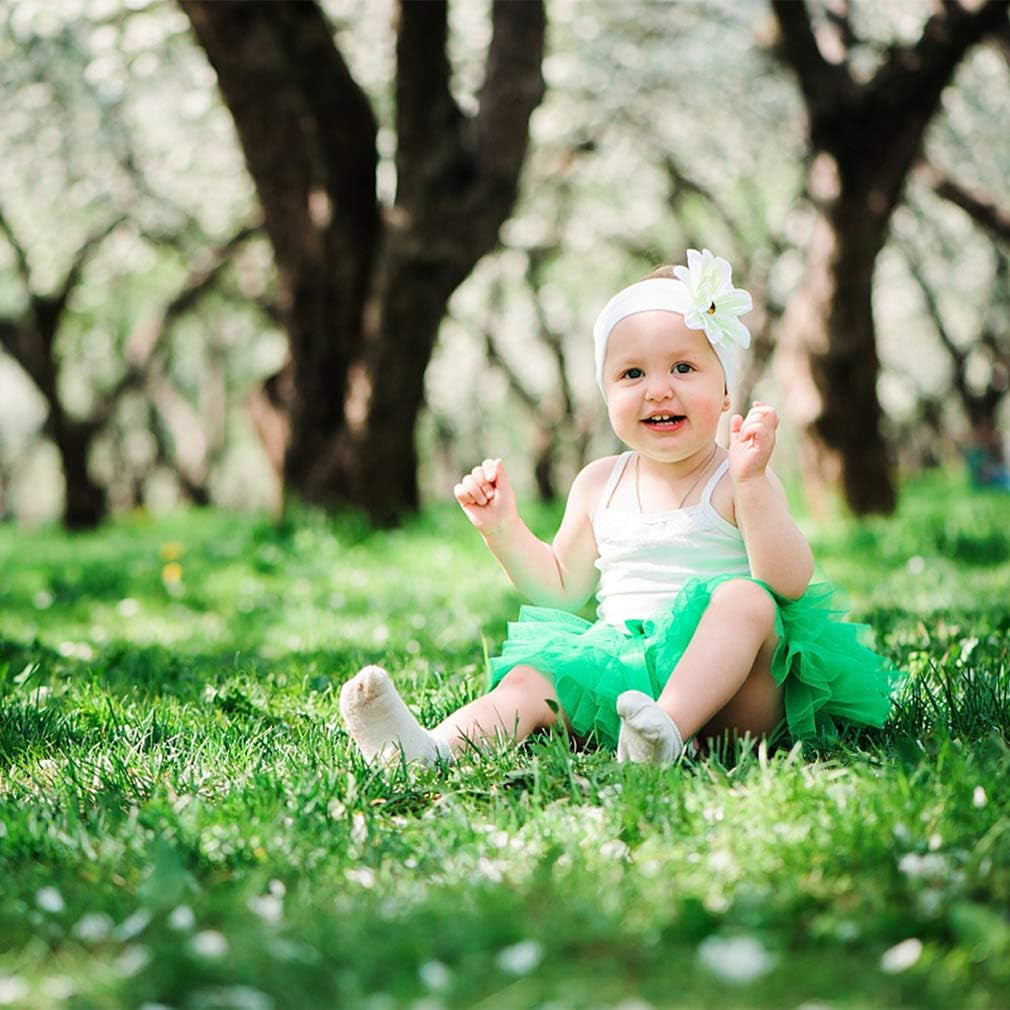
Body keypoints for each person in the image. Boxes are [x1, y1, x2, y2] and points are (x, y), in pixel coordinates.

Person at [340, 249, 898, 766]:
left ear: (726, 391)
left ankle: (668, 731)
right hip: (624, 681)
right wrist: (503, 529)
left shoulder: (736, 477)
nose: (657, 390)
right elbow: (560, 589)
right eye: (632, 374)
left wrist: (753, 484)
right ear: (606, 394)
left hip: (734, 701)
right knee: (533, 679)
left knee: (749, 600)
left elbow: (790, 581)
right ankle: (428, 749)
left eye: (683, 368)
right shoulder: (598, 484)